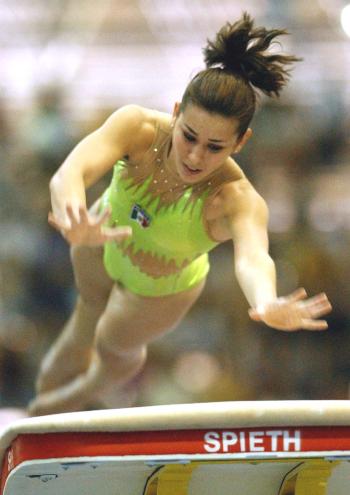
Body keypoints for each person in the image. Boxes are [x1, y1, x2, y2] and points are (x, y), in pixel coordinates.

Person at [28, 13, 332, 416]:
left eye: (214, 147)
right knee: (81, 326)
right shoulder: (136, 126)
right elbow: (71, 172)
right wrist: (72, 215)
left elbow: (254, 257)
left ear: (241, 143)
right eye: (188, 135)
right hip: (98, 241)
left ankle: (80, 394)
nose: (194, 156)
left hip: (161, 287)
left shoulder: (236, 198)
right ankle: (41, 409)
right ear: (175, 112)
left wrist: (266, 299)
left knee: (110, 345)